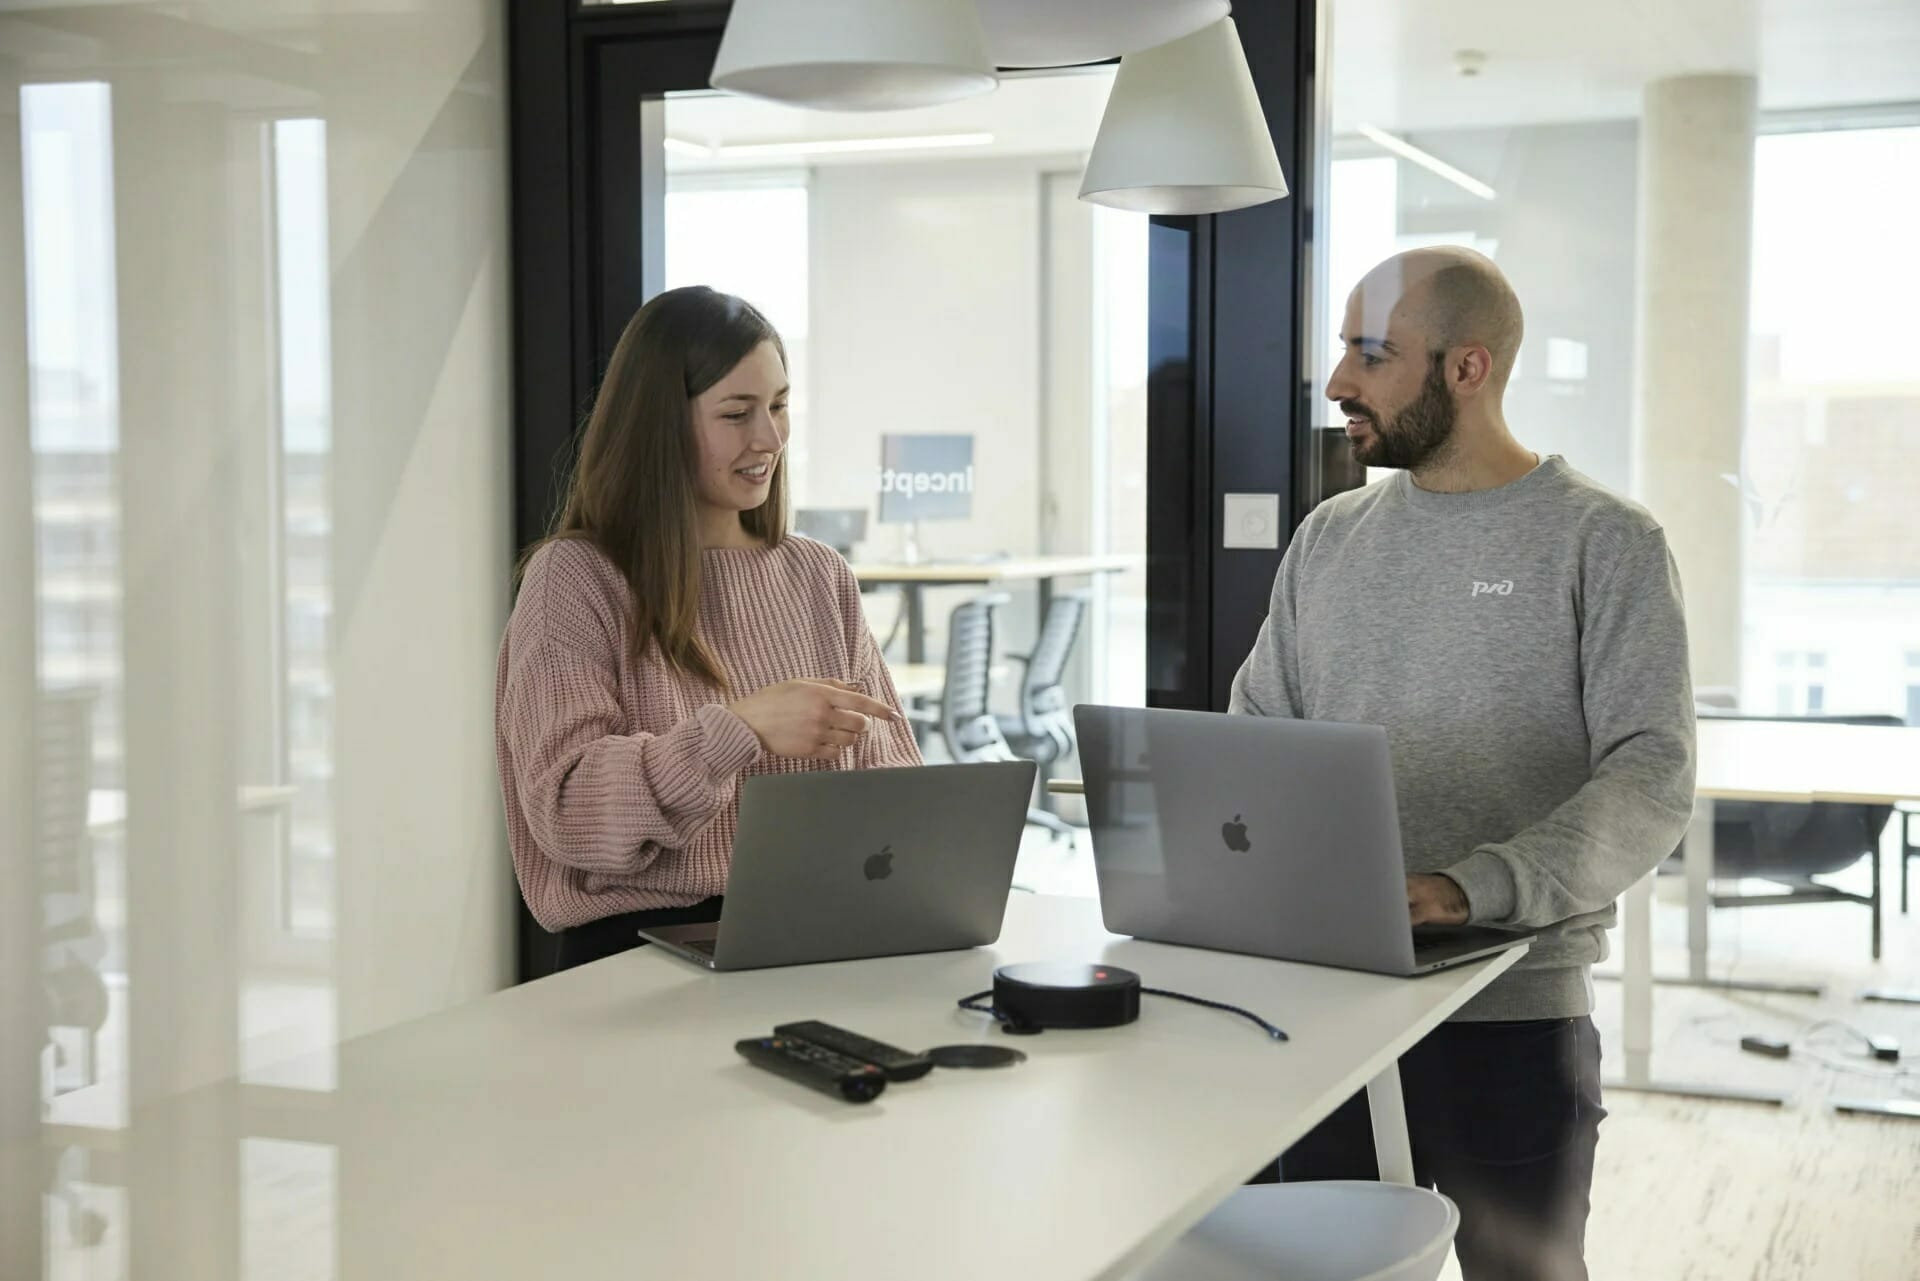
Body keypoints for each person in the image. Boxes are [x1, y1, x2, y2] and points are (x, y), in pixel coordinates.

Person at [1231, 247, 1696, 1280]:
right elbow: (1260, 734)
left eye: (1371, 354)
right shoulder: (1329, 539)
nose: (1338, 382)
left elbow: (1650, 776)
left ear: (1467, 369)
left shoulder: (1605, 542)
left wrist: (1465, 889)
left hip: (1511, 1015)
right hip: (1331, 1010)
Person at [496, 286, 921, 971]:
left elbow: (891, 777)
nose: (771, 438)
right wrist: (738, 731)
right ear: (659, 424)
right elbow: (567, 812)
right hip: (638, 958)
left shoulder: (818, 574)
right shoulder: (575, 579)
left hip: (817, 938)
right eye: (737, 413)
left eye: (780, 406)